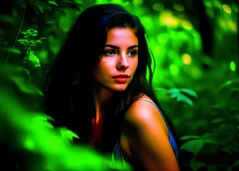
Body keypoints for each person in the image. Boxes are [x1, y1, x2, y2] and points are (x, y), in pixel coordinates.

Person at [43, 3, 180, 171]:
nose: (124, 64)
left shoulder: (140, 115)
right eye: (110, 52)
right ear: (85, 53)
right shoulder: (77, 110)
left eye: (132, 52)